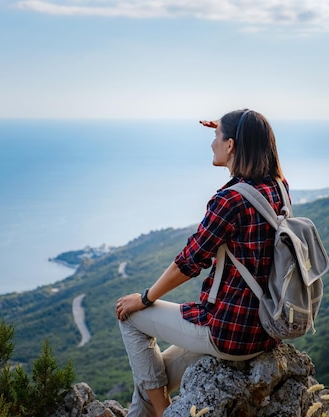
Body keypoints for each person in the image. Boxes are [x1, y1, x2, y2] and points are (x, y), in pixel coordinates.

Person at [116, 109, 289, 417]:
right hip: (263, 330)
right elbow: (256, 137)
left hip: (227, 332)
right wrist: (230, 127)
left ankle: (163, 413)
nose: (212, 143)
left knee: (128, 316)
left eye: (215, 137)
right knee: (150, 381)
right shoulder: (279, 190)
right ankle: (152, 407)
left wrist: (145, 298)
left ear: (232, 145)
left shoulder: (229, 202)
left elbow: (189, 263)